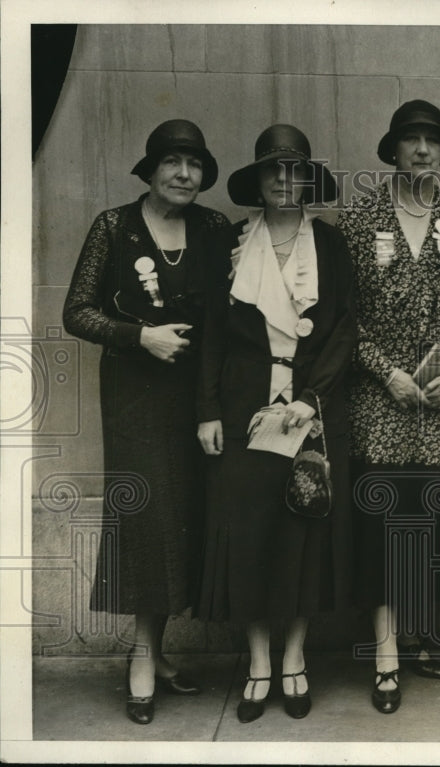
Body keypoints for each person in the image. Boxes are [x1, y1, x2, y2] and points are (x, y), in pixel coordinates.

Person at [63, 119, 230, 724]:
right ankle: (140, 656)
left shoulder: (211, 227)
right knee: (148, 523)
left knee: (185, 519)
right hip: (136, 397)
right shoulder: (113, 226)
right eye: (173, 163)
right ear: (150, 169)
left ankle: (158, 654)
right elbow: (75, 313)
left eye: (195, 165)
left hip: (202, 396)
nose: (185, 175)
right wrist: (141, 337)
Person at [195, 124, 356, 722]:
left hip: (311, 411)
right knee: (248, 535)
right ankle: (258, 662)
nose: (285, 184)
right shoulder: (232, 245)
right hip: (242, 411)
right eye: (274, 173)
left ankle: (295, 659)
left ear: (309, 182)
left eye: (296, 173)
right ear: (258, 183)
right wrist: (208, 410)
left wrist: (311, 398)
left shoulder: (332, 247)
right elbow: (214, 334)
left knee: (303, 532)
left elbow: (344, 330)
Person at [337, 100, 440, 714]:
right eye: (410, 140)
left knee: (433, 521)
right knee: (383, 524)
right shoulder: (360, 219)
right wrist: (386, 372)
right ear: (393, 150)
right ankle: (385, 652)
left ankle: (422, 634)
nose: (421, 149)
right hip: (383, 401)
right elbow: (340, 318)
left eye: (431, 140)